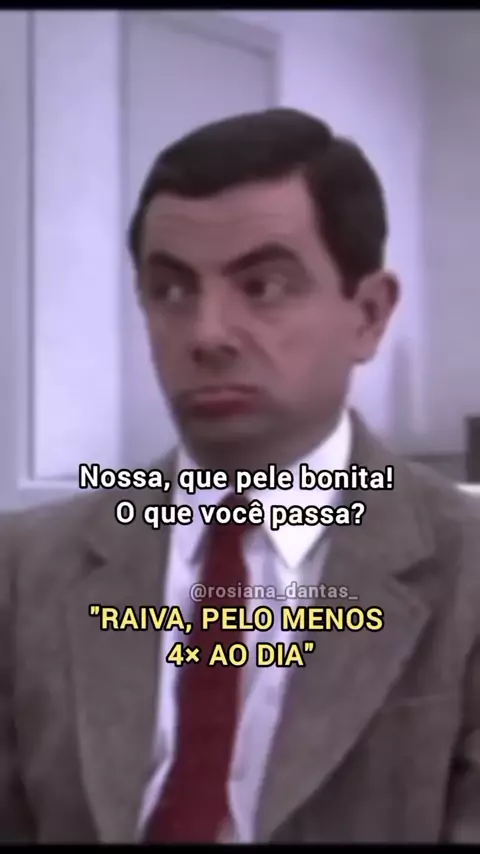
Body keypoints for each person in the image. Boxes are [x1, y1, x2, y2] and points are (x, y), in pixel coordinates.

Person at [1, 107, 479, 844]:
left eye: (264, 286)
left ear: (368, 315)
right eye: (171, 291)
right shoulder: (23, 569)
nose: (207, 334)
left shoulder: (466, 572)